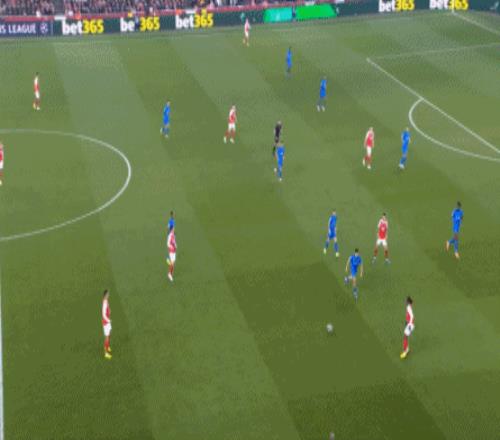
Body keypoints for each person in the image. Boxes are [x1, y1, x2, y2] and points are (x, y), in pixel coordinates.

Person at [102, 290, 112, 360]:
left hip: (108, 322)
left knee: (109, 335)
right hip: (106, 323)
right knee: (107, 337)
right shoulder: (104, 303)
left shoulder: (106, 301)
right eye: (108, 294)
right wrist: (108, 320)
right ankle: (106, 353)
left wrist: (109, 310)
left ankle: (107, 347)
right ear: (105, 295)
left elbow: (107, 309)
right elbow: (103, 314)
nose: (109, 295)